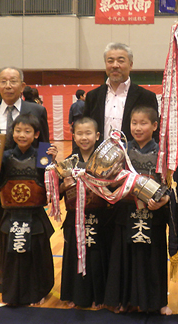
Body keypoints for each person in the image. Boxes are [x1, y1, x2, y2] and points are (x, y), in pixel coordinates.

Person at [0, 67, 50, 294]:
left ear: (22, 84)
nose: (8, 85)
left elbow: (44, 146)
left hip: (31, 186)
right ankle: (7, 280)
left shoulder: (36, 110)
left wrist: (43, 181)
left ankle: (35, 281)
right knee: (3, 234)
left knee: (33, 235)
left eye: (13, 81)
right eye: (3, 81)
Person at [0, 113, 57, 305]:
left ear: (36, 134)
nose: (22, 135)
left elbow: (51, 186)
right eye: (18, 130)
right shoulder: (2, 156)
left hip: (35, 216)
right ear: (12, 133)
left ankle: (40, 291)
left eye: (27, 131)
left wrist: (53, 164)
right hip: (11, 216)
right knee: (13, 257)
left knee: (37, 256)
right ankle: (13, 293)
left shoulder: (43, 155)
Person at [104, 106, 172, 314]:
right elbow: (109, 180)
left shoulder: (163, 152)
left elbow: (170, 184)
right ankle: (124, 300)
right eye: (134, 123)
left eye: (143, 123)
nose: (137, 127)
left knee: (153, 259)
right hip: (126, 213)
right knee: (125, 257)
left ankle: (159, 302)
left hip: (154, 215)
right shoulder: (121, 152)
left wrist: (164, 200)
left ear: (154, 125)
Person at [59, 117, 108, 309]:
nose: (84, 137)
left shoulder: (105, 163)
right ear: (73, 136)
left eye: (88, 133)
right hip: (74, 219)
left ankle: (100, 296)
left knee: (97, 256)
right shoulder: (67, 163)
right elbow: (58, 191)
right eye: (79, 133)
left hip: (100, 219)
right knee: (74, 255)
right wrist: (63, 186)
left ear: (97, 136)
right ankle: (75, 295)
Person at [83, 43, 159, 142]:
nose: (115, 65)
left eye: (121, 61)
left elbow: (155, 133)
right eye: (110, 61)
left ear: (130, 65)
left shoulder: (146, 97)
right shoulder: (93, 96)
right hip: (98, 157)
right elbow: (82, 129)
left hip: (134, 156)